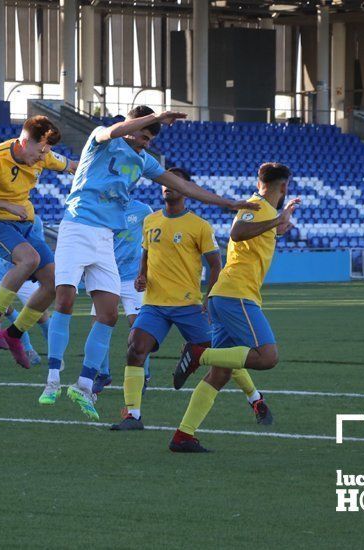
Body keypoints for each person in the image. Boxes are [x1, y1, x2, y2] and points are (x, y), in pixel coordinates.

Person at [43, 106, 258, 420]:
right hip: (77, 225)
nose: (145, 143)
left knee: (107, 315)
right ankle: (52, 380)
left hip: (105, 236)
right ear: (131, 126)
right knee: (64, 299)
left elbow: (185, 186)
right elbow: (115, 131)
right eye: (142, 136)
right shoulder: (101, 139)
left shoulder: (144, 160)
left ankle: (85, 384)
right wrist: (155, 118)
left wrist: (227, 203)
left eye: (148, 139)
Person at [107, 168, 270, 432]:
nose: (167, 186)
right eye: (165, 182)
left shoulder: (199, 226)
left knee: (218, 356)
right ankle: (133, 416)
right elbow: (147, 254)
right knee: (135, 348)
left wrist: (208, 297)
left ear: (186, 189)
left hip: (189, 306)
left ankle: (255, 398)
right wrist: (141, 276)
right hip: (155, 304)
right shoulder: (150, 221)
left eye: (174, 182)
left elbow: (216, 265)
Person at [170, 162, 299, 452]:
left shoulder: (265, 211)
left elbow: (264, 233)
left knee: (220, 374)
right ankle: (197, 353)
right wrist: (276, 220)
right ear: (284, 185)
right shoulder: (256, 206)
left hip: (227, 295)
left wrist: (282, 220)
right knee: (267, 357)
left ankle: (183, 435)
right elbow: (238, 232)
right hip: (236, 294)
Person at [0, 115, 78, 369]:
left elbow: (72, 165)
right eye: (40, 150)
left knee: (53, 284)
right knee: (30, 259)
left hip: (24, 225)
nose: (42, 157)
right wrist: (6, 205)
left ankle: (14, 334)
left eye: (46, 151)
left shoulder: (44, 154)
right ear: (24, 141)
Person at [86, 196, 155, 399]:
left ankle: (143, 372)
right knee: (97, 326)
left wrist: (147, 272)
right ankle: (104, 374)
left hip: (132, 279)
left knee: (140, 329)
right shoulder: (102, 210)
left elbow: (151, 240)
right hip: (107, 275)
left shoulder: (143, 210)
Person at [0, 215, 53, 377]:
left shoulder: (34, 219)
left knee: (42, 316)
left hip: (27, 274)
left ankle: (54, 357)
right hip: (0, 275)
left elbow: (37, 245)